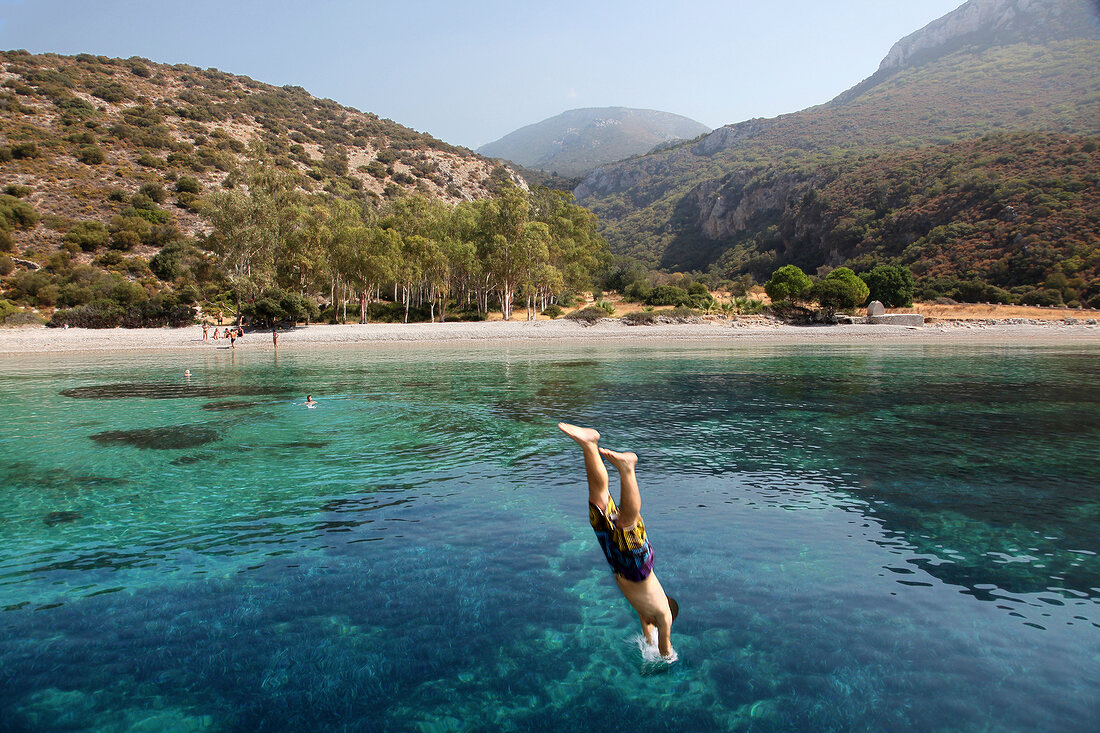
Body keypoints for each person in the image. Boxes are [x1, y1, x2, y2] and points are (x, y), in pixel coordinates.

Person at [559, 422, 678, 660]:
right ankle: (627, 468)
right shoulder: (664, 614)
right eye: (650, 623)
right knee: (627, 523)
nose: (647, 624)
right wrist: (667, 661)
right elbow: (664, 646)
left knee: (599, 504)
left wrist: (647, 639)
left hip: (616, 561)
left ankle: (589, 444)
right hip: (638, 568)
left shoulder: (644, 613)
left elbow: (648, 633)